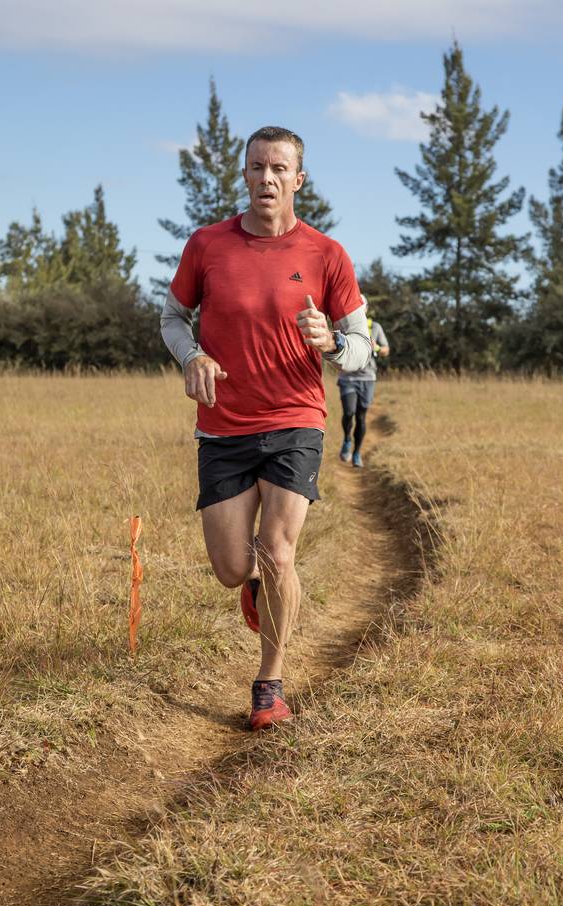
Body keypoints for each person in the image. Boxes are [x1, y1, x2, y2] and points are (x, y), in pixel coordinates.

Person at [160, 126, 371, 731]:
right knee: (233, 567)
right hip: (223, 425)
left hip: (294, 421)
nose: (267, 178)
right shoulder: (207, 245)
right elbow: (173, 318)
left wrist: (333, 343)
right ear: (245, 175)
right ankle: (254, 585)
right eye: (257, 167)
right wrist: (192, 355)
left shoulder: (327, 254)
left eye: (279, 168)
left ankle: (269, 684)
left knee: (278, 551)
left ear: (298, 179)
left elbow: (361, 344)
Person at [338, 305, 389, 467]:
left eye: (361, 306)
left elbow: (386, 350)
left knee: (361, 417)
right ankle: (347, 439)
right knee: (349, 412)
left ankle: (357, 453)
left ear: (366, 309)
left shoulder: (375, 327)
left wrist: (376, 347)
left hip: (367, 378)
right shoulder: (343, 324)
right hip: (347, 377)